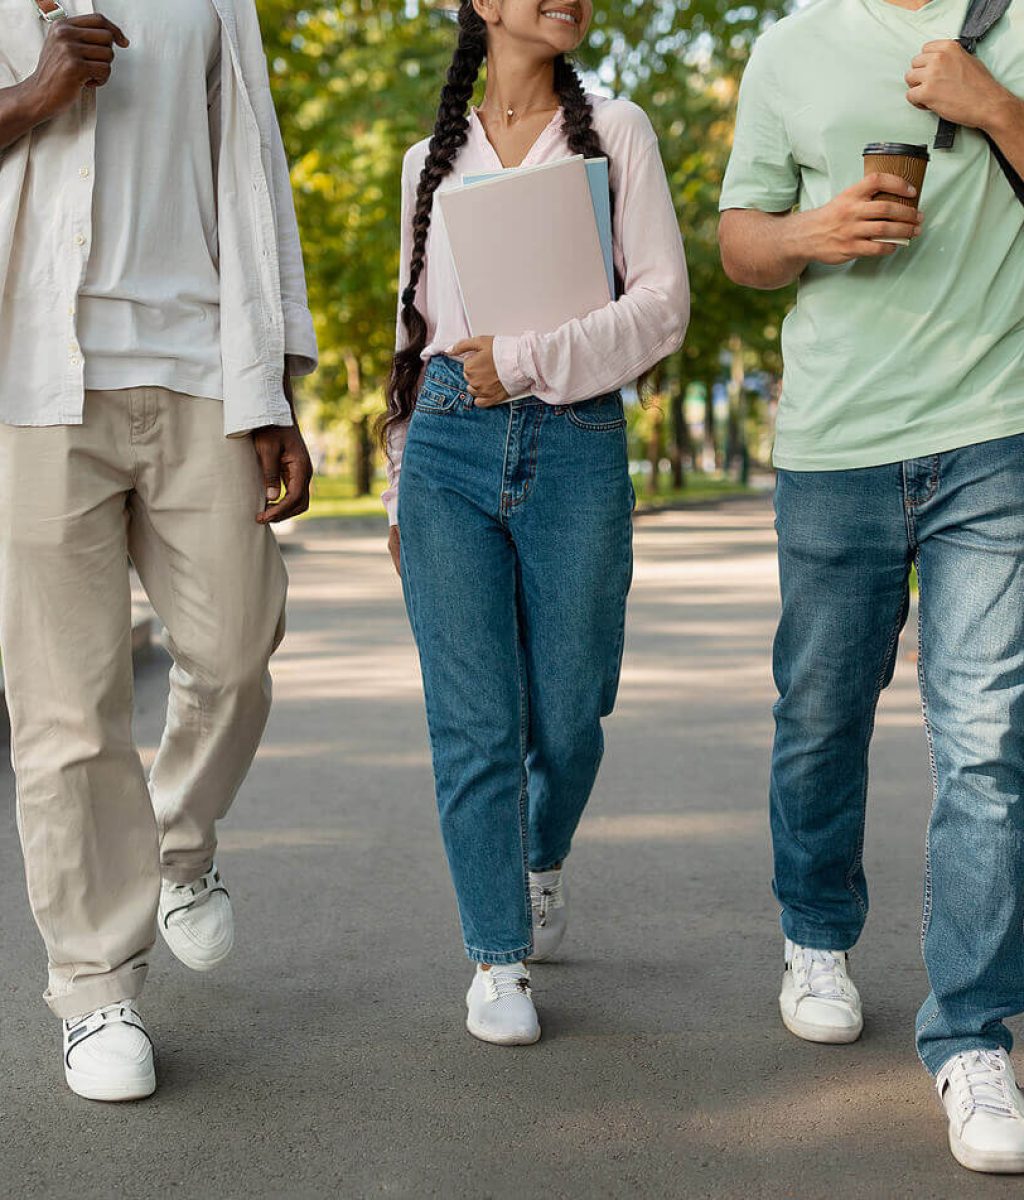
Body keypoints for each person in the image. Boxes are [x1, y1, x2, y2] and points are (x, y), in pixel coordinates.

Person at [718, 0, 1024, 1174]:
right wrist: (814, 234)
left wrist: (988, 103)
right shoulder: (792, 42)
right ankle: (814, 934)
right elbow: (741, 242)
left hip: (996, 432)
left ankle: (970, 1035)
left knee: (989, 741)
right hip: (835, 441)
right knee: (819, 717)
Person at [0, 0, 316, 1101]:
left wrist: (273, 381)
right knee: (64, 709)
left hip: (199, 366)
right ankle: (94, 990)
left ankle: (179, 843)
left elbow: (256, 167)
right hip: (33, 379)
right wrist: (33, 96)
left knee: (236, 646)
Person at [381, 0, 689, 1047]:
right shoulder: (432, 157)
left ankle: (539, 858)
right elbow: (411, 333)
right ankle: (495, 956)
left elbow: (662, 307)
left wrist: (524, 361)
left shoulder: (620, 128)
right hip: (447, 454)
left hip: (575, 442)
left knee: (569, 712)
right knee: (472, 722)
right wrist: (396, 483)